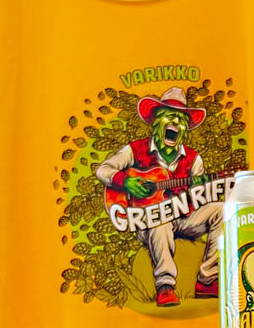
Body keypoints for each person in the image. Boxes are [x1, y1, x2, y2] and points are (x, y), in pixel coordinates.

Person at [95, 87, 222, 307]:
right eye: (169, 116)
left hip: (183, 217)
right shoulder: (134, 150)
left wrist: (199, 192)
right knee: (160, 217)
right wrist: (126, 181)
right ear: (156, 121)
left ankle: (207, 280)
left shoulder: (194, 160)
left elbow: (197, 198)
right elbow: (103, 170)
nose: (175, 123)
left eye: (181, 120)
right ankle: (165, 286)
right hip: (146, 219)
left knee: (221, 210)